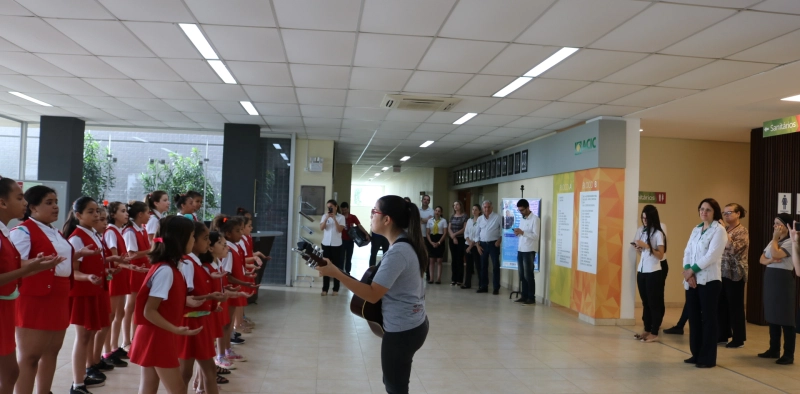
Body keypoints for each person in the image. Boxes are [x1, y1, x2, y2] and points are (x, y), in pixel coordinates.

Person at [315, 195, 428, 394]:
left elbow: (373, 294)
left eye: (374, 212)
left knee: (395, 387)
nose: (371, 216)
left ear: (387, 219)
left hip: (403, 330)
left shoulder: (398, 251)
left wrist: (337, 273)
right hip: (411, 325)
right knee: (394, 382)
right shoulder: (403, 243)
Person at [10, 186, 95, 394]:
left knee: (51, 352)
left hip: (59, 295)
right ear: (33, 207)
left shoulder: (54, 231)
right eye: (49, 203)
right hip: (35, 297)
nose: (56, 206)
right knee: (30, 356)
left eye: (56, 202)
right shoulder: (23, 231)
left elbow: (58, 260)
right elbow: (13, 264)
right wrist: (37, 264)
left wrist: (77, 255)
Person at [0, 177, 62, 394]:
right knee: (14, 369)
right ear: (2, 203)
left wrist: (36, 265)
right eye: (19, 198)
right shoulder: (20, 231)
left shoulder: (5, 232)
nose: (24, 203)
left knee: (10, 373)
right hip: (11, 304)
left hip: (9, 306)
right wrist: (28, 269)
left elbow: (13, 265)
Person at [128, 215, 203, 394]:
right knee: (178, 389)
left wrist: (184, 300)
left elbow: (164, 299)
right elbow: (149, 311)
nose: (194, 240)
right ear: (180, 239)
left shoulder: (171, 267)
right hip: (157, 336)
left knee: (149, 387)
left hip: (157, 333)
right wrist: (176, 329)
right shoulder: (166, 270)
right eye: (192, 236)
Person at [64, 197, 114, 394]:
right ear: (78, 215)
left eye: (97, 211)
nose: (96, 215)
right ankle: (77, 384)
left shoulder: (93, 234)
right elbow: (73, 270)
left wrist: (106, 269)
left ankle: (84, 374)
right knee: (83, 336)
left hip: (95, 290)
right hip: (83, 293)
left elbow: (93, 263)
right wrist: (88, 277)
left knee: (91, 333)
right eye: (90, 212)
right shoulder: (76, 238)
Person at [178, 222, 225, 394]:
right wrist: (210, 297)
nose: (208, 242)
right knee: (185, 373)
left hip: (199, 320)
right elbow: (184, 297)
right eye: (205, 238)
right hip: (190, 322)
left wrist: (211, 302)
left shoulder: (195, 262)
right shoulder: (187, 263)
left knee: (208, 370)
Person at [682, 198, 727, 368]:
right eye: (702, 209)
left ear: (715, 212)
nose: (704, 212)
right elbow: (687, 251)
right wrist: (688, 271)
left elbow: (712, 255)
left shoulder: (719, 230)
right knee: (693, 318)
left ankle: (708, 358)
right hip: (692, 280)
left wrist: (692, 270)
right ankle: (696, 353)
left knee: (708, 319)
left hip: (709, 281)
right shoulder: (696, 229)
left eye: (708, 209)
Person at [211, 215, 256, 363]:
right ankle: (221, 354)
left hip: (231, 289)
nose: (241, 233)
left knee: (228, 323)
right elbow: (228, 275)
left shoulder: (233, 248)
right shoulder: (228, 251)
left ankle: (227, 350)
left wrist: (245, 276)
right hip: (228, 291)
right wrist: (244, 284)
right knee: (225, 324)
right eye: (238, 230)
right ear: (228, 234)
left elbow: (235, 269)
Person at [758, 213, 795, 365]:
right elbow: (762, 259)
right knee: (772, 314)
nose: (775, 226)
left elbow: (776, 253)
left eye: (778, 224)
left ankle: (788, 354)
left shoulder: (791, 241)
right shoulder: (774, 241)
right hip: (771, 278)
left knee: (785, 317)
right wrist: (771, 260)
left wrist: (774, 240)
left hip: (783, 280)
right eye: (774, 223)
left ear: (787, 226)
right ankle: (774, 349)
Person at [631, 205, 666, 343]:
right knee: (645, 302)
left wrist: (646, 246)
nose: (644, 220)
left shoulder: (658, 233)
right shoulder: (643, 232)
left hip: (653, 271)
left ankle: (654, 332)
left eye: (647, 218)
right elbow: (644, 254)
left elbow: (660, 254)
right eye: (643, 218)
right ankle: (646, 329)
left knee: (653, 303)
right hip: (642, 270)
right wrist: (639, 248)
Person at [718, 203, 749, 348]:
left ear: (738, 214)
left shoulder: (742, 231)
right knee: (721, 304)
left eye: (729, 212)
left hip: (735, 273)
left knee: (735, 306)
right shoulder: (724, 229)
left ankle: (738, 338)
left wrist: (723, 232)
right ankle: (723, 334)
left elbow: (733, 248)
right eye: (724, 213)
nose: (726, 215)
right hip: (721, 271)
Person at [122, 201, 151, 353]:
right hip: (135, 270)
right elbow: (131, 254)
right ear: (140, 214)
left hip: (143, 269)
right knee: (130, 305)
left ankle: (136, 338)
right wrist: (151, 250)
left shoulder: (141, 229)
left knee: (138, 305)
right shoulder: (130, 231)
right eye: (147, 213)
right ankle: (126, 340)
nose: (149, 215)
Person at [513, 199, 539, 306]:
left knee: (529, 274)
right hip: (521, 249)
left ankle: (531, 297)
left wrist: (523, 232)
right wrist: (518, 233)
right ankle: (524, 296)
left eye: (522, 210)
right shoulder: (522, 218)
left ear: (528, 208)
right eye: (519, 210)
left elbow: (536, 236)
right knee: (522, 275)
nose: (521, 212)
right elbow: (522, 234)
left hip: (529, 250)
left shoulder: (535, 219)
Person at [475, 200, 502, 295]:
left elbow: (503, 230)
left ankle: (496, 287)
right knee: (483, 266)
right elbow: (477, 233)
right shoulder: (479, 219)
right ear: (482, 208)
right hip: (482, 244)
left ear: (492, 207)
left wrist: (499, 240)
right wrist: (477, 245)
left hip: (494, 244)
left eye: (488, 207)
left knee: (495, 266)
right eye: (485, 207)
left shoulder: (498, 217)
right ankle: (484, 286)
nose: (487, 209)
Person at [319, 200, 345, 296]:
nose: (330, 208)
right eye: (328, 207)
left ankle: (336, 289)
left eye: (331, 206)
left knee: (336, 267)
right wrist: (326, 218)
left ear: (336, 207)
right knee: (325, 266)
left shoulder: (341, 217)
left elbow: (340, 230)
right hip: (326, 244)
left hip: (337, 245)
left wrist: (334, 219)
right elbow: (321, 228)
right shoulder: (324, 216)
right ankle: (325, 289)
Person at [340, 202, 370, 275]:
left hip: (350, 240)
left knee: (349, 257)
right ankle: (340, 272)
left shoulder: (353, 217)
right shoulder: (339, 217)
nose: (344, 211)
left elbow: (359, 226)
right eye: (342, 210)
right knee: (341, 258)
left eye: (345, 210)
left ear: (348, 209)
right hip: (341, 241)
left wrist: (366, 233)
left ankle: (348, 272)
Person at [425, 206, 447, 284]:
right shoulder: (430, 220)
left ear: (441, 213)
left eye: (439, 211)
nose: (437, 212)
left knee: (439, 260)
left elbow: (445, 233)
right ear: (434, 211)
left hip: (440, 240)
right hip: (431, 239)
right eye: (436, 210)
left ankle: (438, 279)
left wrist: (439, 242)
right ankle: (431, 278)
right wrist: (431, 242)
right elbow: (427, 233)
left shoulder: (443, 221)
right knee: (431, 260)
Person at [461, 204, 482, 290]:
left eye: (476, 209)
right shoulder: (469, 220)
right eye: (473, 209)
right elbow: (466, 233)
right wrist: (469, 242)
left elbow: (479, 234)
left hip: (476, 245)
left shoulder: (481, 220)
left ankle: (481, 284)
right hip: (468, 244)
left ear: (479, 211)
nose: (474, 211)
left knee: (478, 265)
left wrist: (472, 244)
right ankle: (467, 283)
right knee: (468, 265)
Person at [448, 201, 467, 286]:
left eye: (457, 204)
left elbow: (464, 228)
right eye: (454, 205)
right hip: (452, 239)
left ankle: (459, 279)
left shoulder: (464, 216)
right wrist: (453, 237)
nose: (455, 206)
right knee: (454, 259)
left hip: (461, 239)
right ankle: (453, 279)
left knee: (459, 259)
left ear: (460, 206)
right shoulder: (452, 216)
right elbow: (449, 228)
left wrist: (455, 235)